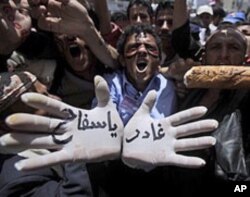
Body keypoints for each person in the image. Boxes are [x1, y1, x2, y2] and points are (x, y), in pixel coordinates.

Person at [166, 25, 250, 195]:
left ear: (244, 58)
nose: (224, 55)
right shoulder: (186, 90)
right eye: (216, 47)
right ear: (204, 57)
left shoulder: (246, 96)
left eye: (234, 48)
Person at [101, 23, 177, 125]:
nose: (142, 51)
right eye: (133, 47)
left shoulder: (169, 88)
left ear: (159, 60)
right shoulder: (110, 85)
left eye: (150, 48)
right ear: (122, 60)